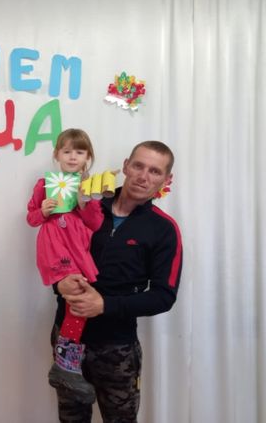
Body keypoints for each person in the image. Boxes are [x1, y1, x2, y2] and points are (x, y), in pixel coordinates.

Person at [53, 140, 183, 423]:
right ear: (126, 166)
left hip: (116, 349)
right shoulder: (85, 207)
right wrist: (58, 284)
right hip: (68, 337)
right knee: (70, 419)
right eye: (138, 166)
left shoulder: (163, 229)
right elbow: (56, 255)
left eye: (155, 171)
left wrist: (105, 305)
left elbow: (164, 295)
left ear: (166, 179)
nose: (143, 176)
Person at [27, 129, 104, 404]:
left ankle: (65, 364)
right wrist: (43, 211)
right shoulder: (44, 184)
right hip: (55, 246)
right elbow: (31, 218)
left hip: (78, 247)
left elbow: (96, 224)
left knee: (78, 298)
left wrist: (86, 202)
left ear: (88, 157)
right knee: (76, 293)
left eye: (79, 152)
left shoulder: (88, 185)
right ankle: (66, 365)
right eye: (67, 151)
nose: (73, 157)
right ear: (57, 154)